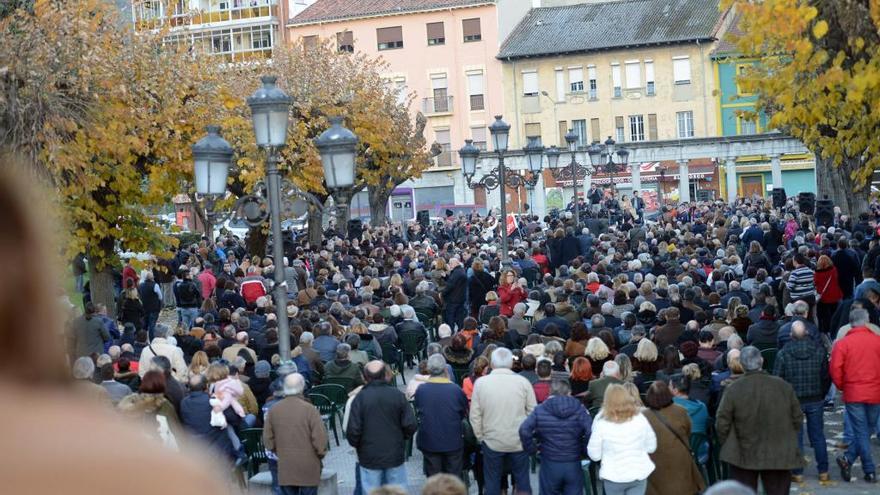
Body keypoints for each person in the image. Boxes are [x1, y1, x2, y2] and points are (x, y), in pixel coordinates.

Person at [716, 346, 804, 495]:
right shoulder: (783, 386)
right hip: (778, 451)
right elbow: (797, 418)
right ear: (761, 361)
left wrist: (729, 442)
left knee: (744, 491)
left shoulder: (733, 389)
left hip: (743, 452)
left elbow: (722, 422)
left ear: (742, 365)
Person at [470, 347, 537, 495]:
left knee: (492, 481)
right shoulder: (523, 382)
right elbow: (533, 412)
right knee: (522, 481)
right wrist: (527, 434)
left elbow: (475, 415)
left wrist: (481, 437)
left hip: (492, 440)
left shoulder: (481, 384)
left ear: (492, 364)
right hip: (518, 440)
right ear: (511, 363)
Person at [346, 361, 418, 493]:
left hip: (369, 455)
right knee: (398, 490)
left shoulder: (360, 398)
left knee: (371, 491)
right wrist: (401, 439)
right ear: (386, 375)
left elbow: (353, 430)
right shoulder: (397, 395)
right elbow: (410, 424)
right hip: (394, 453)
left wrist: (359, 446)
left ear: (365, 377)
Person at [773, 320, 831, 482]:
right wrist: (822, 394)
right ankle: (823, 471)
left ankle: (797, 472)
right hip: (815, 398)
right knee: (818, 435)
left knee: (796, 436)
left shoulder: (783, 353)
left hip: (793, 399)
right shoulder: (819, 350)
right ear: (806, 333)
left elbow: (778, 379)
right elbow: (826, 376)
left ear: (791, 335)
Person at [830, 308, 880, 483]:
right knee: (867, 430)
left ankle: (850, 460)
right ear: (866, 321)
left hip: (854, 392)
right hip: (875, 391)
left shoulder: (843, 344)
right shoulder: (877, 341)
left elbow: (835, 369)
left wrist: (843, 386)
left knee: (862, 431)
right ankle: (868, 469)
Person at [519, 379, 593, 495]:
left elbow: (524, 430)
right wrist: (584, 449)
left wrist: (532, 449)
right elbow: (590, 431)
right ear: (569, 392)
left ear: (550, 392)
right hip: (573, 462)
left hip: (549, 461)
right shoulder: (579, 408)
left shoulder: (540, 409)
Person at [264, 373, 328, 495]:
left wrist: (277, 452)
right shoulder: (310, 409)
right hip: (309, 467)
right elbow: (320, 439)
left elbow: (267, 439)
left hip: (285, 466)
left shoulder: (274, 410)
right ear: (302, 387)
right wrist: (320, 455)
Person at [587, 383, 657, 495]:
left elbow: (594, 455)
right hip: (638, 473)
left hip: (613, 476)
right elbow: (651, 447)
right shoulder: (640, 418)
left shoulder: (601, 422)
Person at [642, 381, 706, 495]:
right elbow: (688, 430)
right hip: (680, 458)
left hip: (655, 460)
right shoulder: (680, 410)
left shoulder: (644, 415)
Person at [413, 354, 469, 477]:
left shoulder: (421, 390)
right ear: (445, 369)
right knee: (454, 478)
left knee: (434, 478)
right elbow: (463, 411)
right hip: (452, 439)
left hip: (429, 440)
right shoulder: (455, 389)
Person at [442, 258, 468, 331]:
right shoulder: (460, 271)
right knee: (460, 318)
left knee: (451, 318)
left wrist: (442, 294)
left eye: (451, 263)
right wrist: (446, 277)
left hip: (453, 300)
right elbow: (454, 283)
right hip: (460, 299)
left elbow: (450, 285)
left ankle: (451, 333)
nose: (450, 265)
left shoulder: (456, 272)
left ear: (456, 263)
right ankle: (460, 332)